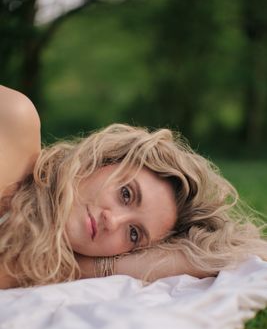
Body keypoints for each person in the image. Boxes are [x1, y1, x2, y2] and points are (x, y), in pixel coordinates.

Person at [0, 85, 267, 289]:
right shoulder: (14, 119)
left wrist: (91, 267)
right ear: (102, 162)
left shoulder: (35, 262)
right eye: (125, 194)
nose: (112, 220)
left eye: (134, 234)